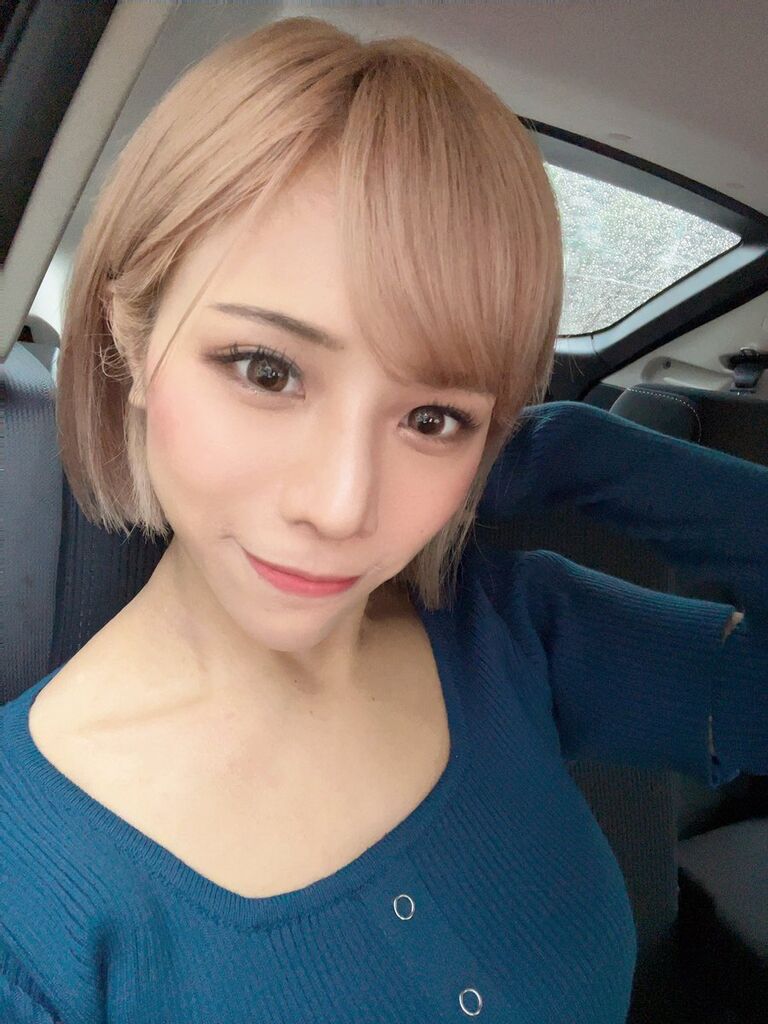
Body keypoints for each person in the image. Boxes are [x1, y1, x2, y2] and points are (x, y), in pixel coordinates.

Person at [1, 15, 765, 1024]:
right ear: (131, 342)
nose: (341, 505)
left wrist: (591, 454)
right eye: (266, 370)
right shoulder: (25, 894)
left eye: (433, 419)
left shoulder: (513, 629)